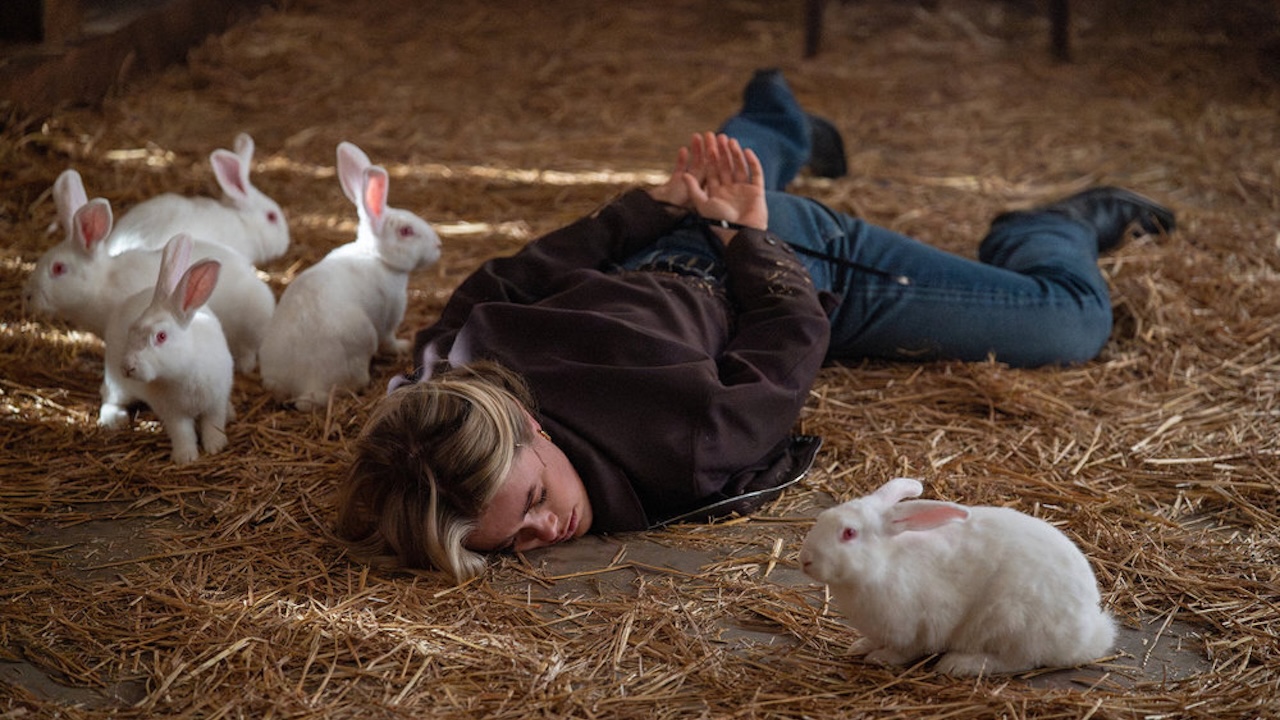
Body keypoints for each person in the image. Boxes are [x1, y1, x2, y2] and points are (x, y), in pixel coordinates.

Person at [334, 70, 1175, 581]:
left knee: (1069, 322)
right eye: (511, 541)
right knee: (725, 174)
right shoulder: (437, 404)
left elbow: (788, 339)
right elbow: (502, 284)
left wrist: (722, 229)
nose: (545, 533)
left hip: (774, 266)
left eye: (537, 500)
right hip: (687, 252)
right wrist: (678, 214)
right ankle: (776, 114)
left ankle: (1045, 226)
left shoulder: (684, 442)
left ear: (522, 421)